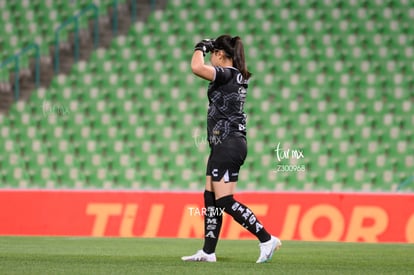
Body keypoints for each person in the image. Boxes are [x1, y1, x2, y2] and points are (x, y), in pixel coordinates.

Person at [181, 35, 282, 263]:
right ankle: (208, 251)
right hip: (224, 144)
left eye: (213, 54)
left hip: (228, 144)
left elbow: (196, 67)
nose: (211, 59)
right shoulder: (236, 76)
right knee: (210, 197)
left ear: (219, 55)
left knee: (224, 201)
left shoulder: (227, 73)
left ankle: (267, 239)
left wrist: (200, 47)